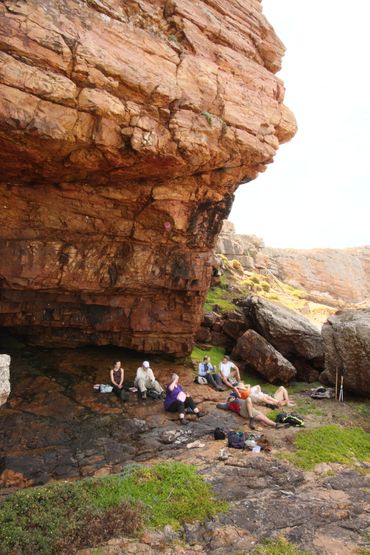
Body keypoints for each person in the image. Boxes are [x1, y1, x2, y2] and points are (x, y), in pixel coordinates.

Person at [216, 395, 286, 430]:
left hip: (250, 409)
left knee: (263, 417)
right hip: (243, 410)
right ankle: (251, 418)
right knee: (249, 399)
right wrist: (226, 402)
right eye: (230, 398)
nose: (232, 398)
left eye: (233, 397)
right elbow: (218, 405)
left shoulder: (238, 399)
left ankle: (275, 425)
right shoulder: (229, 404)